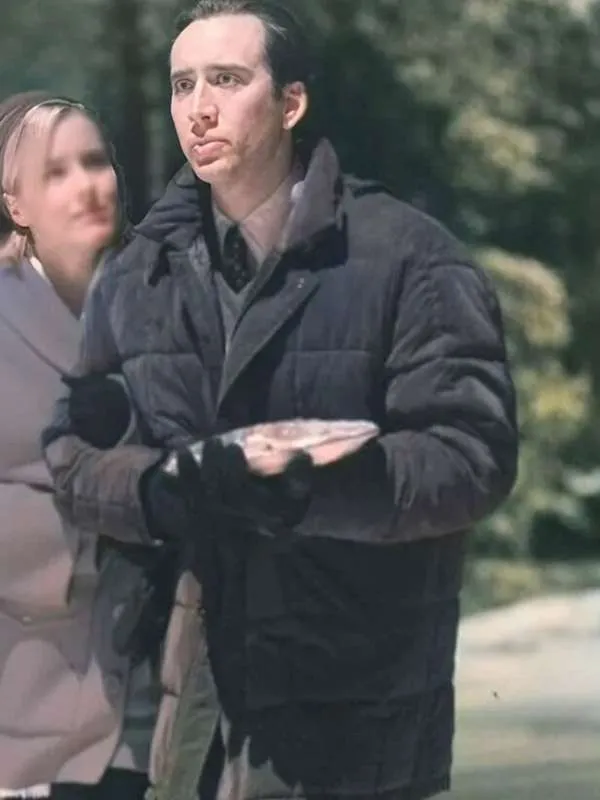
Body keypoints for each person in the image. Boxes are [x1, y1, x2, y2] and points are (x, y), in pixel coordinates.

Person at [43, 2, 519, 799]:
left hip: (354, 714)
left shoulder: (411, 257)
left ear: (291, 102)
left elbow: (472, 456)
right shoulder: (136, 273)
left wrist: (312, 489)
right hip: (189, 710)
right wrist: (160, 490)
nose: (198, 109)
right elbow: (71, 456)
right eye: (182, 85)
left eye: (226, 80)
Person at [0, 91, 157, 800]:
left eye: (95, 161)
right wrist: (110, 524)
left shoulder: (164, 306)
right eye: (55, 172)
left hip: (153, 713)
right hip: (24, 713)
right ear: (15, 203)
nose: (87, 185)